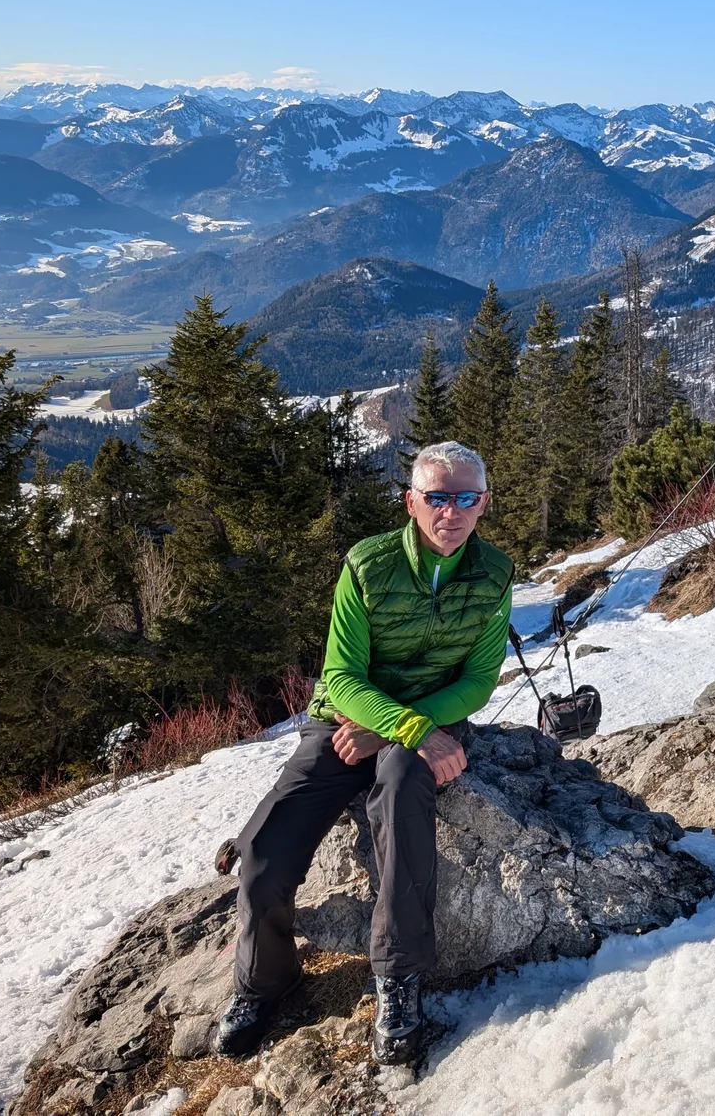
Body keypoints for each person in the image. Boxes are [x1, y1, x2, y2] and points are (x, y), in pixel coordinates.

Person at [217, 441, 515, 1066]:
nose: (451, 512)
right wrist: (394, 722)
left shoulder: (495, 574)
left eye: (465, 498)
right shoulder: (367, 566)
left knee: (406, 786)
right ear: (411, 502)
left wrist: (401, 732)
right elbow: (341, 675)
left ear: (483, 502)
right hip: (345, 722)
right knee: (265, 858)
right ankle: (265, 980)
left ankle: (397, 980)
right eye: (436, 497)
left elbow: (479, 680)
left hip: (425, 725)